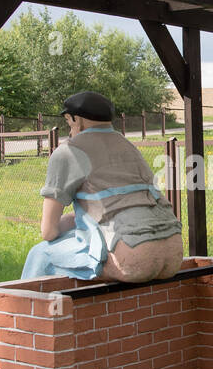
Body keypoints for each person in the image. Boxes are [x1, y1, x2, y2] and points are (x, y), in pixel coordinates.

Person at [21, 91, 183, 282]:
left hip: (132, 257)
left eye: (69, 123)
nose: (70, 129)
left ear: (77, 120)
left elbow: (48, 232)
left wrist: (60, 226)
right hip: (173, 253)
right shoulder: (128, 146)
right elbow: (124, 202)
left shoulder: (69, 151)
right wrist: (76, 219)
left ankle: (19, 311)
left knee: (40, 254)